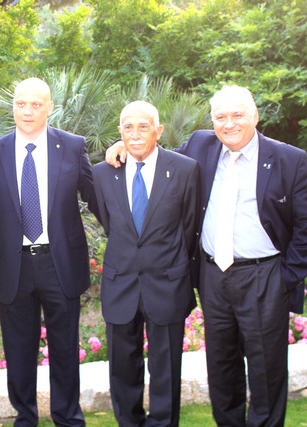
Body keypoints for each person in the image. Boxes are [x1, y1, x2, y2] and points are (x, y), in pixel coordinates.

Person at [106, 86, 307, 426]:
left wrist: (286, 278)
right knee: (221, 367)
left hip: (264, 277)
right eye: (221, 117)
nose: (229, 123)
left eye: (237, 115)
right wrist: (123, 146)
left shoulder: (288, 159)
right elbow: (155, 155)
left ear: (255, 116)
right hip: (213, 276)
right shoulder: (200, 145)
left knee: (266, 370)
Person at [0, 77, 99, 426]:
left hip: (61, 264)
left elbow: (96, 197)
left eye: (36, 104)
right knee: (18, 351)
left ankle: (68, 418)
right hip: (14, 266)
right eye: (21, 104)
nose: (27, 111)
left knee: (65, 349)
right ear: (13, 107)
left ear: (50, 107)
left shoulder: (72, 147)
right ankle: (25, 418)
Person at [94, 101, 199, 426]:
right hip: (120, 284)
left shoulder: (184, 169)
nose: (135, 134)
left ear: (159, 130)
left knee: (166, 370)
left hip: (167, 283)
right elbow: (111, 224)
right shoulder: (103, 173)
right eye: (128, 127)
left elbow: (189, 227)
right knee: (122, 371)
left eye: (144, 126)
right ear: (120, 132)